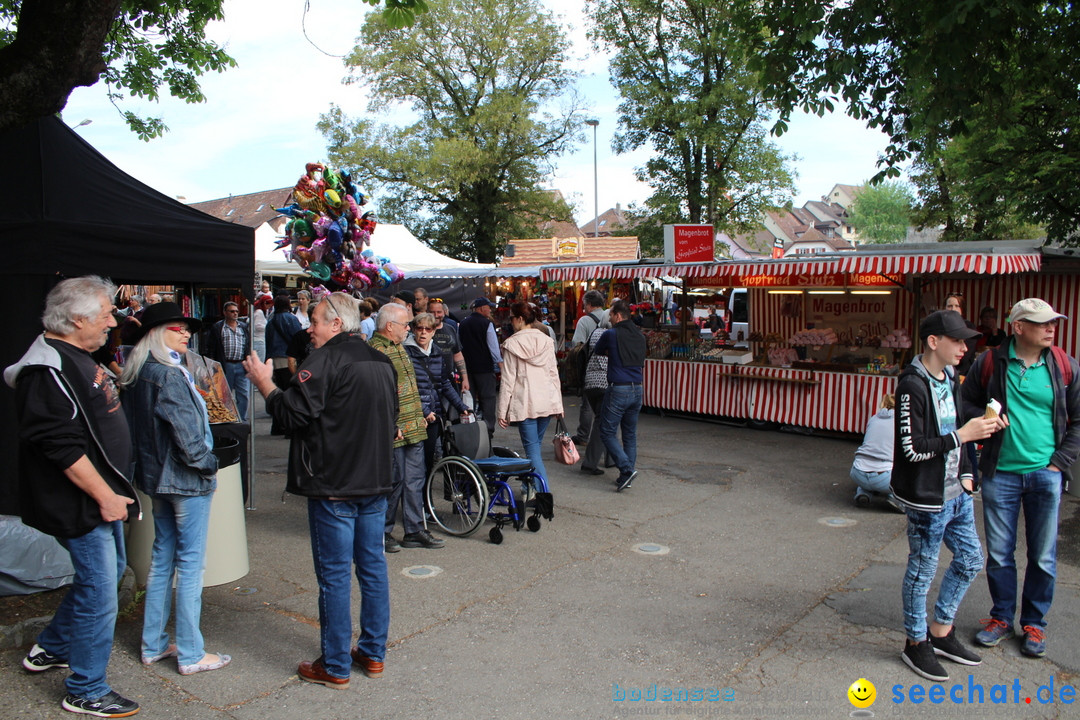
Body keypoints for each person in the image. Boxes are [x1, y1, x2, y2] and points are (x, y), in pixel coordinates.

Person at [243, 292, 396, 689]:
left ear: (336, 324)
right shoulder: (380, 360)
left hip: (336, 485)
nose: (308, 330)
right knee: (372, 570)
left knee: (335, 576)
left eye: (314, 321)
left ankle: (336, 664)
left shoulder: (327, 360)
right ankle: (372, 653)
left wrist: (264, 382)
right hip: (372, 482)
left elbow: (291, 414)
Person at [5, 276, 141, 717]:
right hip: (81, 501)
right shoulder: (45, 369)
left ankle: (50, 647)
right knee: (102, 590)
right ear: (77, 318)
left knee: (107, 574)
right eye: (104, 314)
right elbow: (57, 445)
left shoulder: (77, 352)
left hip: (100, 496)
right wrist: (104, 495)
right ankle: (85, 688)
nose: (111, 321)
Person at [961, 298, 1080, 658]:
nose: (1050, 328)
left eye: (1053, 323)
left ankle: (1034, 624)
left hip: (1046, 474)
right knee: (999, 554)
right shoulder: (990, 361)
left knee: (1043, 555)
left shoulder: (1063, 365)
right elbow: (965, 405)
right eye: (1042, 323)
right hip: (1001, 474)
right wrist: (984, 419)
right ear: (1018, 327)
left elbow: (1077, 420)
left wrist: (1059, 462)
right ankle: (1000, 618)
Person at [118, 302, 230, 677]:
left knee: (164, 559)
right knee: (189, 566)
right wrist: (210, 466)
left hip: (158, 479)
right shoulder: (165, 374)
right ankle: (191, 652)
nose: (186, 333)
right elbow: (187, 437)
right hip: (183, 480)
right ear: (156, 333)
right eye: (177, 327)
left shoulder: (140, 372)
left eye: (186, 328)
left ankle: (153, 644)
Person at [891, 309, 1000, 682]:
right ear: (933, 342)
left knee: (971, 559)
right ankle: (915, 643)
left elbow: (958, 429)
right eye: (957, 340)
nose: (965, 347)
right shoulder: (911, 384)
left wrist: (968, 470)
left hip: (957, 492)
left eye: (966, 341)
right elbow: (912, 448)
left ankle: (940, 633)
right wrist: (963, 436)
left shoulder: (951, 375)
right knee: (921, 572)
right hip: (927, 498)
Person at [369, 303, 444, 551]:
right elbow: (379, 394)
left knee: (414, 479)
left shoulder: (399, 347)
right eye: (406, 325)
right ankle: (383, 532)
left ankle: (414, 530)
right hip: (395, 429)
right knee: (394, 481)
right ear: (390, 326)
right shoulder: (376, 351)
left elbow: (409, 387)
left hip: (414, 426)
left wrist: (419, 415)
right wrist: (393, 424)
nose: (409, 329)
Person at [496, 302, 564, 490]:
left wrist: (502, 410)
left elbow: (508, 380)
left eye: (511, 317)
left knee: (533, 451)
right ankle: (530, 488)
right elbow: (553, 375)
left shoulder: (512, 343)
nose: (510, 321)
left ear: (520, 319)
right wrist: (558, 406)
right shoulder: (546, 341)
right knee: (534, 448)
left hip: (525, 404)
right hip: (547, 403)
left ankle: (544, 494)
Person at [404, 313, 471, 473]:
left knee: (428, 460)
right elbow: (406, 388)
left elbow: (444, 382)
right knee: (414, 463)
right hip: (413, 415)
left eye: (428, 329)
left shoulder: (436, 351)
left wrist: (461, 406)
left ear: (434, 331)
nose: (423, 332)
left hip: (434, 415)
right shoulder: (406, 352)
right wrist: (424, 411)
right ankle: (416, 496)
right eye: (419, 328)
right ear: (413, 330)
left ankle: (424, 495)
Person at [594, 299, 646, 492]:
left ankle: (625, 468)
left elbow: (598, 350)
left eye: (611, 316)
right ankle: (627, 475)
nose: (610, 319)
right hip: (637, 388)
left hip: (618, 388)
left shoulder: (611, 334)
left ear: (617, 315)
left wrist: (613, 353)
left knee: (607, 432)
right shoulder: (640, 336)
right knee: (630, 434)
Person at [850, 394, 902, 511]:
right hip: (885, 476)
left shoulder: (873, 418)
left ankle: (863, 492)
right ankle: (895, 498)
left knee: (869, 471)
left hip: (857, 472)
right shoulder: (903, 422)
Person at [459, 297, 502, 435]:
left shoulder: (463, 323)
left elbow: (459, 345)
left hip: (467, 367)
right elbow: (493, 347)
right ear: (480, 308)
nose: (490, 309)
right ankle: (488, 428)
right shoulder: (487, 324)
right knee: (488, 398)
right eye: (488, 307)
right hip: (484, 367)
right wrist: (500, 363)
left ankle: (469, 426)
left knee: (468, 397)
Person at [571, 290, 607, 444]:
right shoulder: (610, 317)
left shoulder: (584, 321)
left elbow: (576, 344)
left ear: (589, 304)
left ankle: (583, 436)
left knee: (587, 404)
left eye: (584, 304)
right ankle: (605, 436)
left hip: (591, 368)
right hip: (610, 368)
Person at [205, 301, 251, 420]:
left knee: (244, 394)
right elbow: (211, 347)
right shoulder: (218, 327)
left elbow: (248, 345)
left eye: (236, 311)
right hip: (226, 365)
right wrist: (212, 365)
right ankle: (227, 418)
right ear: (225, 313)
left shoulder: (243, 327)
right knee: (225, 395)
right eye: (232, 311)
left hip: (241, 364)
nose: (235, 314)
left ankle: (241, 419)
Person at [264, 294, 302, 436]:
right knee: (289, 394)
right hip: (288, 359)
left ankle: (277, 425)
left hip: (274, 359)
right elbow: (297, 338)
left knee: (277, 392)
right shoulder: (291, 319)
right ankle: (288, 427)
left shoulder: (271, 320)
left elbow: (268, 341)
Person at [580, 321, 611, 475]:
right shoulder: (612, 335)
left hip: (590, 382)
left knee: (607, 419)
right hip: (606, 382)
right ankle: (590, 462)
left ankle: (611, 458)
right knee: (603, 421)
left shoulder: (594, 333)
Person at [429, 300, 469, 395]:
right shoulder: (423, 330)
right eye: (432, 312)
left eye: (439, 312)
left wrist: (465, 379)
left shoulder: (450, 329)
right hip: (429, 382)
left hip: (449, 380)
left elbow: (457, 354)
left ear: (444, 312)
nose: (436, 315)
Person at [944, 293, 977, 375]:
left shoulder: (969, 327)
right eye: (949, 306)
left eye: (957, 306)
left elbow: (965, 356)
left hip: (963, 373)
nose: (953, 309)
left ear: (962, 309)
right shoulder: (940, 326)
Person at [252, 294, 272, 362]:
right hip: (259, 341)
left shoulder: (256, 311)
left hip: (256, 340)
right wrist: (268, 327)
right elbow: (258, 326)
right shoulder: (259, 312)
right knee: (259, 362)